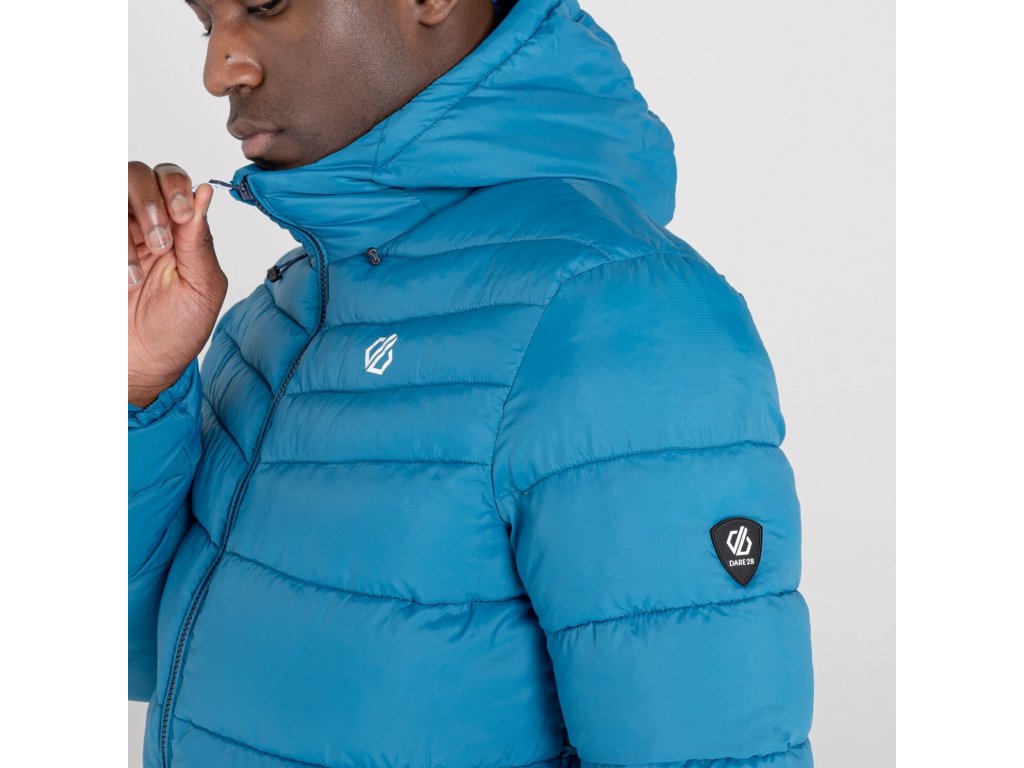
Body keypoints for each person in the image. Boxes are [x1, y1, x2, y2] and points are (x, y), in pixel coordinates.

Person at [128, 0, 815, 766]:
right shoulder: (281, 315)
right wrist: (143, 387)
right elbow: (152, 658)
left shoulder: (615, 316)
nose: (218, 69)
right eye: (206, 21)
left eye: (263, 5)